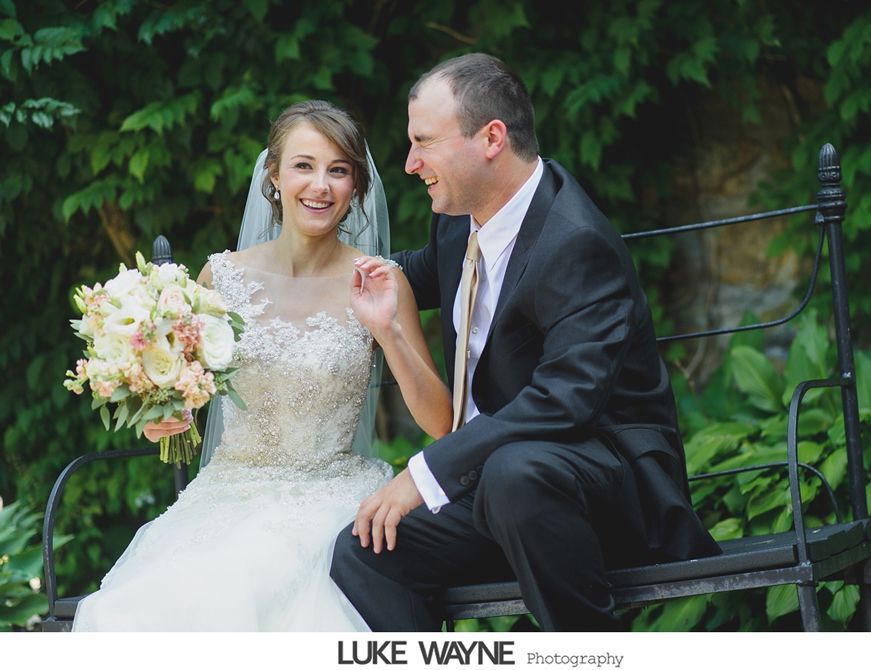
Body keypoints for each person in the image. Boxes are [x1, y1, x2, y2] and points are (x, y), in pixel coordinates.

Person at [330, 53, 721, 632]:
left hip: (602, 497)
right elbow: (407, 272)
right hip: (497, 492)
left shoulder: (576, 244)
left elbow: (564, 400)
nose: (411, 164)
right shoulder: (459, 217)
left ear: (491, 138)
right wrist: (287, 281)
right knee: (367, 551)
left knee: (517, 473)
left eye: (425, 142)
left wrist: (426, 470)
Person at [72, 100, 451, 631]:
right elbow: (184, 400)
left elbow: (440, 423)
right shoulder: (220, 278)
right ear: (273, 176)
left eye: (338, 170)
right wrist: (163, 419)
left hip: (327, 498)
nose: (320, 185)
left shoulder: (381, 280)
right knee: (141, 608)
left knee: (241, 591)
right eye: (304, 165)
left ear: (356, 187)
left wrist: (386, 330)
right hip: (224, 498)